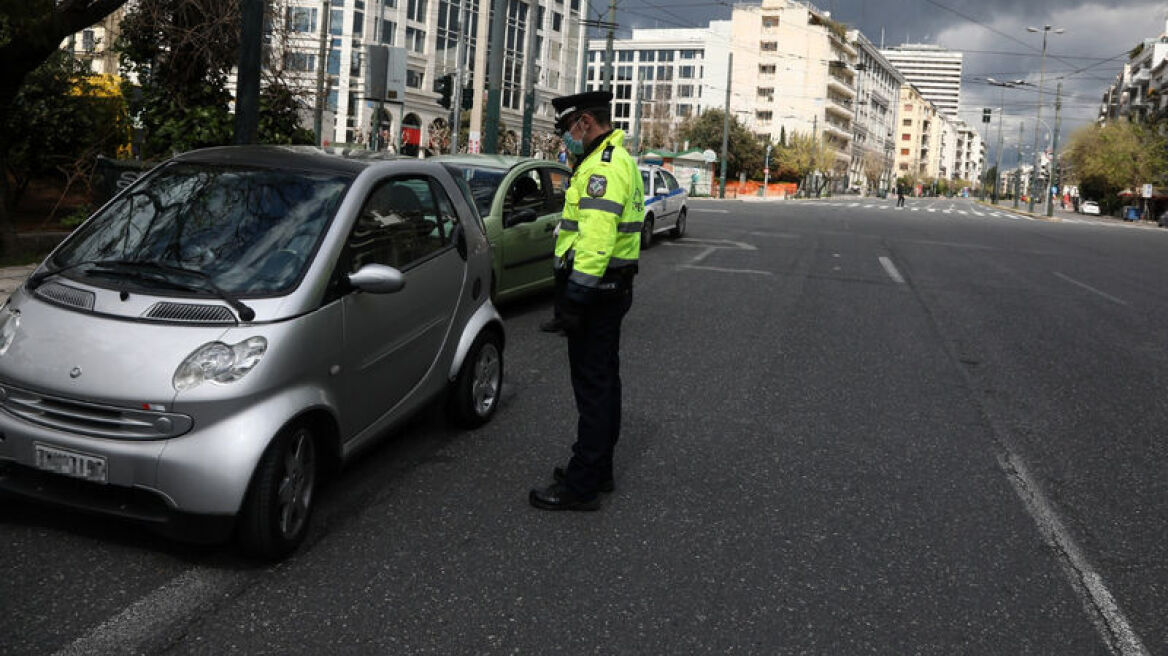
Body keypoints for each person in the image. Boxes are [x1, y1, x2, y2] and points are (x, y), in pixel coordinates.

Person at [529, 90, 644, 511]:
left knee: (593, 388)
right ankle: (599, 468)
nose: (565, 138)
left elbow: (596, 241)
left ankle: (582, 485)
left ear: (584, 122)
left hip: (597, 291)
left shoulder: (604, 168)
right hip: (610, 288)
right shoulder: (613, 159)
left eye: (567, 129)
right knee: (604, 383)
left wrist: (575, 298)